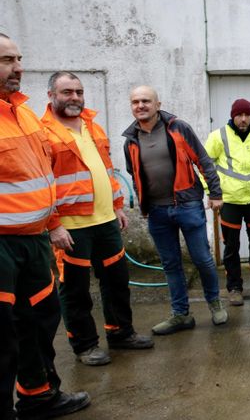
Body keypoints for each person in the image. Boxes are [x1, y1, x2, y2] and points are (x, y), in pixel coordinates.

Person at [0, 34, 90, 419]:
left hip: (34, 242)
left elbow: (41, 178)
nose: (18, 68)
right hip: (2, 246)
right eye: (6, 60)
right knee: (2, 340)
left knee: (40, 321)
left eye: (18, 58)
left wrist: (52, 223)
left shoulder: (22, 115)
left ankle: (40, 396)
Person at [41, 71, 154, 366]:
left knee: (117, 281)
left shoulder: (92, 126)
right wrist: (53, 224)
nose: (75, 97)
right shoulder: (42, 133)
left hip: (105, 221)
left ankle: (120, 333)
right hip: (71, 226)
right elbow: (40, 182)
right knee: (76, 290)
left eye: (78, 91)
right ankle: (85, 345)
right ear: (51, 95)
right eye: (67, 92)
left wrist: (116, 206)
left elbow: (106, 169)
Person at [122, 85, 228, 334]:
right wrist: (143, 204)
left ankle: (215, 305)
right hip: (157, 212)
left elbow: (203, 160)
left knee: (202, 259)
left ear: (158, 104)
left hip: (187, 205)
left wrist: (215, 193)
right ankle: (181, 315)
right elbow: (134, 174)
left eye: (146, 101)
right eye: (136, 102)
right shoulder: (130, 141)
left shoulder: (178, 128)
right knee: (170, 265)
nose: (141, 106)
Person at [205, 98, 250, 306]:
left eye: (247, 115)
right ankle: (234, 288)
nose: (243, 119)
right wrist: (212, 194)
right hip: (229, 201)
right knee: (231, 247)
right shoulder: (218, 137)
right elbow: (205, 166)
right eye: (239, 115)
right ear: (233, 116)